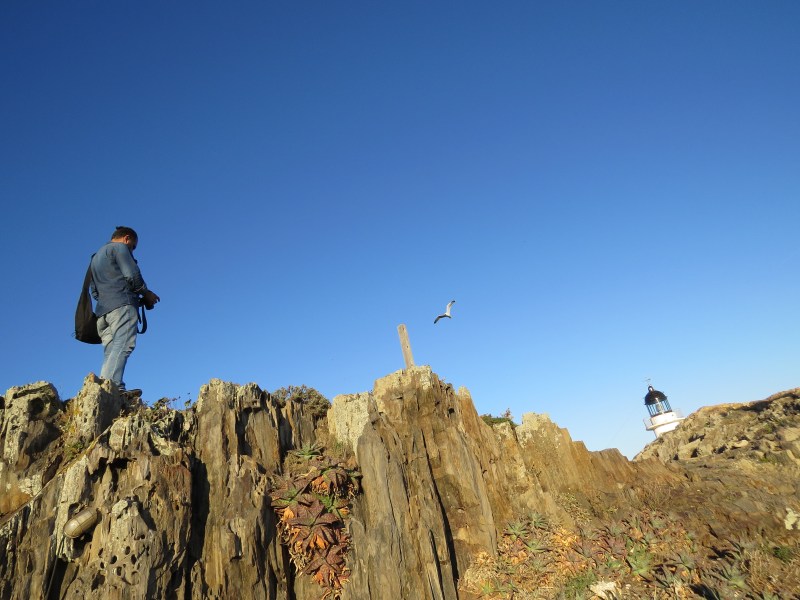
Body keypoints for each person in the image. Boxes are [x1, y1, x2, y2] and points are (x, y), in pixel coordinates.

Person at [90, 226, 160, 394]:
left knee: (110, 351)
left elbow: (94, 292)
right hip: (122, 307)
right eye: (133, 247)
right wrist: (146, 293)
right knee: (123, 345)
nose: (132, 250)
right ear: (126, 238)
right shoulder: (119, 248)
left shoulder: (95, 258)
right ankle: (113, 388)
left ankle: (106, 390)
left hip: (102, 313)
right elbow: (132, 275)